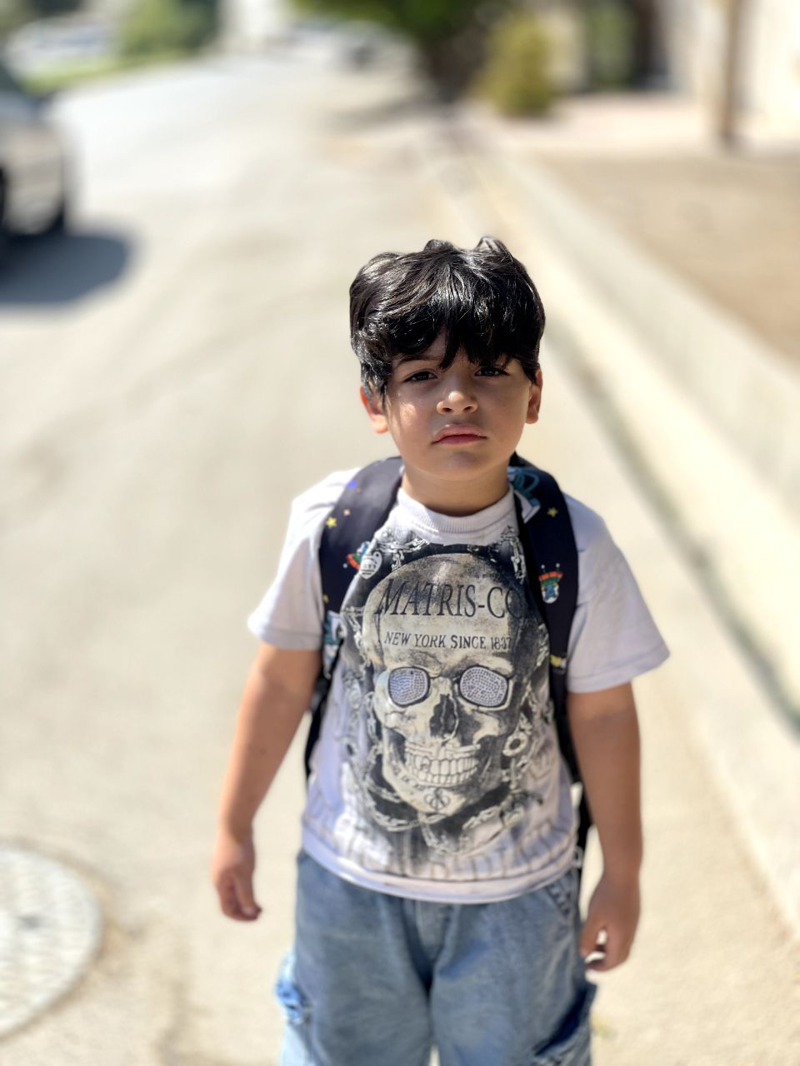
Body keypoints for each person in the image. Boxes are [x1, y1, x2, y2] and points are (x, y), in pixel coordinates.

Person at [211, 237, 669, 1066]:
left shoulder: (573, 545)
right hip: (350, 887)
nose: (458, 396)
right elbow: (279, 683)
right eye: (423, 375)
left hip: (520, 900)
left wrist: (624, 872)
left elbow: (604, 717)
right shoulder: (332, 526)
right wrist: (234, 825)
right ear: (375, 402)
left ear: (535, 394)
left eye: (490, 371)